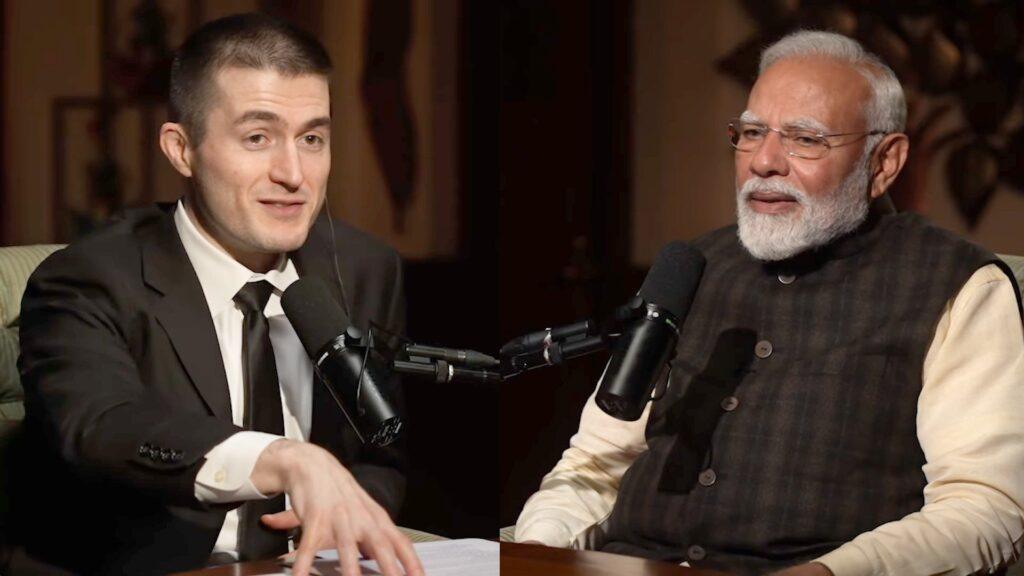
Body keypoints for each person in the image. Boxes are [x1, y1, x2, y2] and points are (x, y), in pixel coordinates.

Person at [515, 30, 1024, 576]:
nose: (763, 162)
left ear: (884, 162)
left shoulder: (955, 284)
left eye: (804, 139)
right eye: (752, 133)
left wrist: (829, 574)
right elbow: (594, 467)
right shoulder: (691, 270)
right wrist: (536, 556)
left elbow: (983, 507)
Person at [9, 13, 423, 576]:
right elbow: (100, 426)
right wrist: (281, 459)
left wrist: (341, 519)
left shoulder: (364, 268)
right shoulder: (89, 277)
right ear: (182, 149)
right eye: (257, 138)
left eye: (312, 139)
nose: (293, 174)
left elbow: (379, 453)